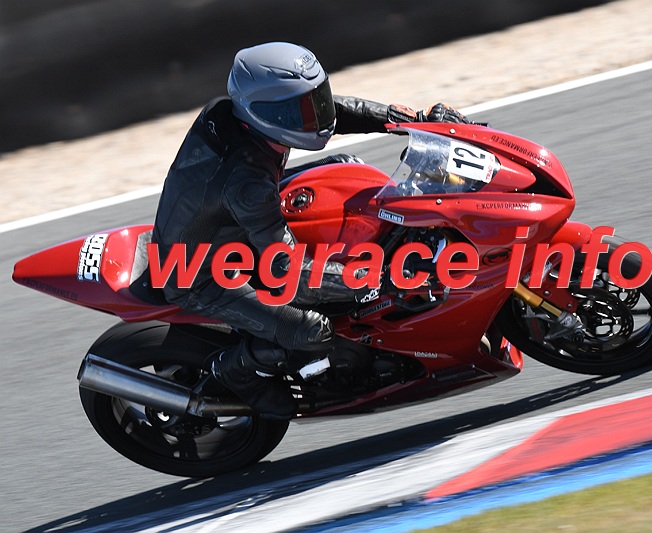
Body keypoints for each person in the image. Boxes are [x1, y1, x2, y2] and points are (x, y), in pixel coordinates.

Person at [152, 41, 471, 420]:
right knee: (310, 331)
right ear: (264, 112)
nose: (315, 115)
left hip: (234, 220)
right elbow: (289, 271)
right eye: (300, 109)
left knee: (347, 167)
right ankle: (236, 372)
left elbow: (334, 114)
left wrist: (409, 121)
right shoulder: (248, 183)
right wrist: (383, 278)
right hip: (200, 273)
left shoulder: (239, 116)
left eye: (314, 99)